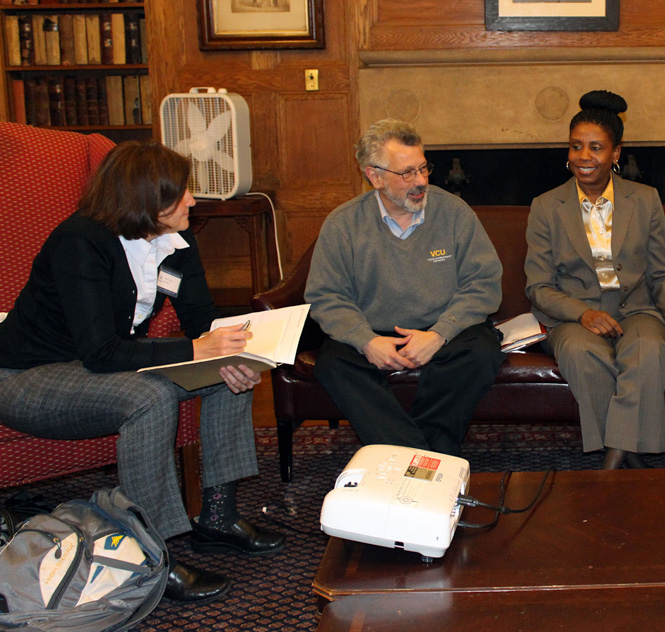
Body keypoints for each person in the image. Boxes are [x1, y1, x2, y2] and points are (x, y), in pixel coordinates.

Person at [0, 142, 283, 604]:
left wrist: (226, 353)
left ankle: (217, 517)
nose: (192, 200)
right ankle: (155, 555)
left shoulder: (176, 241)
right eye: (181, 193)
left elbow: (200, 321)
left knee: (226, 369)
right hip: (25, 376)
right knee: (149, 397)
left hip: (97, 365)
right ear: (144, 201)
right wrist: (196, 348)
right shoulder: (81, 242)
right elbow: (101, 352)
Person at [305, 119, 504, 457]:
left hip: (443, 328)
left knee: (482, 351)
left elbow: (483, 283)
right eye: (407, 173)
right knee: (333, 363)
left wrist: (439, 334)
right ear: (374, 176)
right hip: (375, 331)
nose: (421, 181)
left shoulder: (454, 212)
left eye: (424, 169)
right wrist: (366, 341)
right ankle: (417, 456)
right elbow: (326, 296)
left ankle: (425, 453)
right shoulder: (343, 224)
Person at [524, 90, 665, 470]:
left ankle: (613, 457)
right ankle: (628, 452)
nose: (584, 156)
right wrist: (582, 314)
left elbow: (662, 271)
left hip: (636, 309)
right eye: (576, 146)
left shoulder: (645, 199)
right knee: (583, 355)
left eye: (596, 147)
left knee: (650, 350)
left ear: (616, 153)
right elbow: (538, 286)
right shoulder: (546, 207)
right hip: (574, 316)